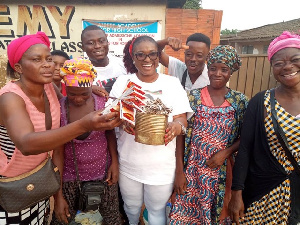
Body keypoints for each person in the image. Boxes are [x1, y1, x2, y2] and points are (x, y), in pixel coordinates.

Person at [0, 32, 121, 225]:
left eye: (48, 58)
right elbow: (26, 143)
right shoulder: (10, 98)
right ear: (18, 67)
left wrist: (92, 89)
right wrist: (84, 125)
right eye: (37, 59)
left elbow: (74, 94)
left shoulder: (48, 88)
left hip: (42, 182)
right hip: (14, 186)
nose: (48, 64)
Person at [109, 35, 193, 225]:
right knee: (131, 208)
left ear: (158, 56)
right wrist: (122, 120)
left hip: (161, 167)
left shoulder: (171, 84)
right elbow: (110, 115)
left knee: (156, 211)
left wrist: (177, 126)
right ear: (133, 57)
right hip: (129, 163)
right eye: (141, 55)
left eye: (152, 54)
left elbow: (182, 118)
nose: (147, 60)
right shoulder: (123, 82)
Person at [169, 45, 249, 224]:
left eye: (224, 70)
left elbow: (246, 136)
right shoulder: (193, 97)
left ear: (232, 72)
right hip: (193, 170)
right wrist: (180, 172)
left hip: (221, 171)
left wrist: (226, 153)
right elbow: (181, 135)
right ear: (208, 68)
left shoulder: (239, 101)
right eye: (213, 68)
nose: (217, 73)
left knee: (216, 215)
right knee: (187, 215)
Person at [228, 31, 300, 225]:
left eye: (295, 59)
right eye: (279, 63)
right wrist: (236, 194)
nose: (288, 67)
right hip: (262, 193)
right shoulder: (261, 102)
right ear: (272, 68)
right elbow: (245, 150)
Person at [50, 57, 122, 225]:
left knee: (111, 218)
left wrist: (114, 163)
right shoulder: (59, 109)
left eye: (84, 94)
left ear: (92, 86)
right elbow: (58, 152)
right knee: (63, 218)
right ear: (65, 87)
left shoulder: (102, 103)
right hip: (69, 177)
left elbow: (110, 133)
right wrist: (58, 195)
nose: (78, 99)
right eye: (72, 94)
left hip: (103, 174)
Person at [81, 25, 128, 93]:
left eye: (101, 41)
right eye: (91, 43)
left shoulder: (123, 64)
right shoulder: (80, 72)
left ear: (107, 42)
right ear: (83, 47)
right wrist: (89, 88)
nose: (98, 46)